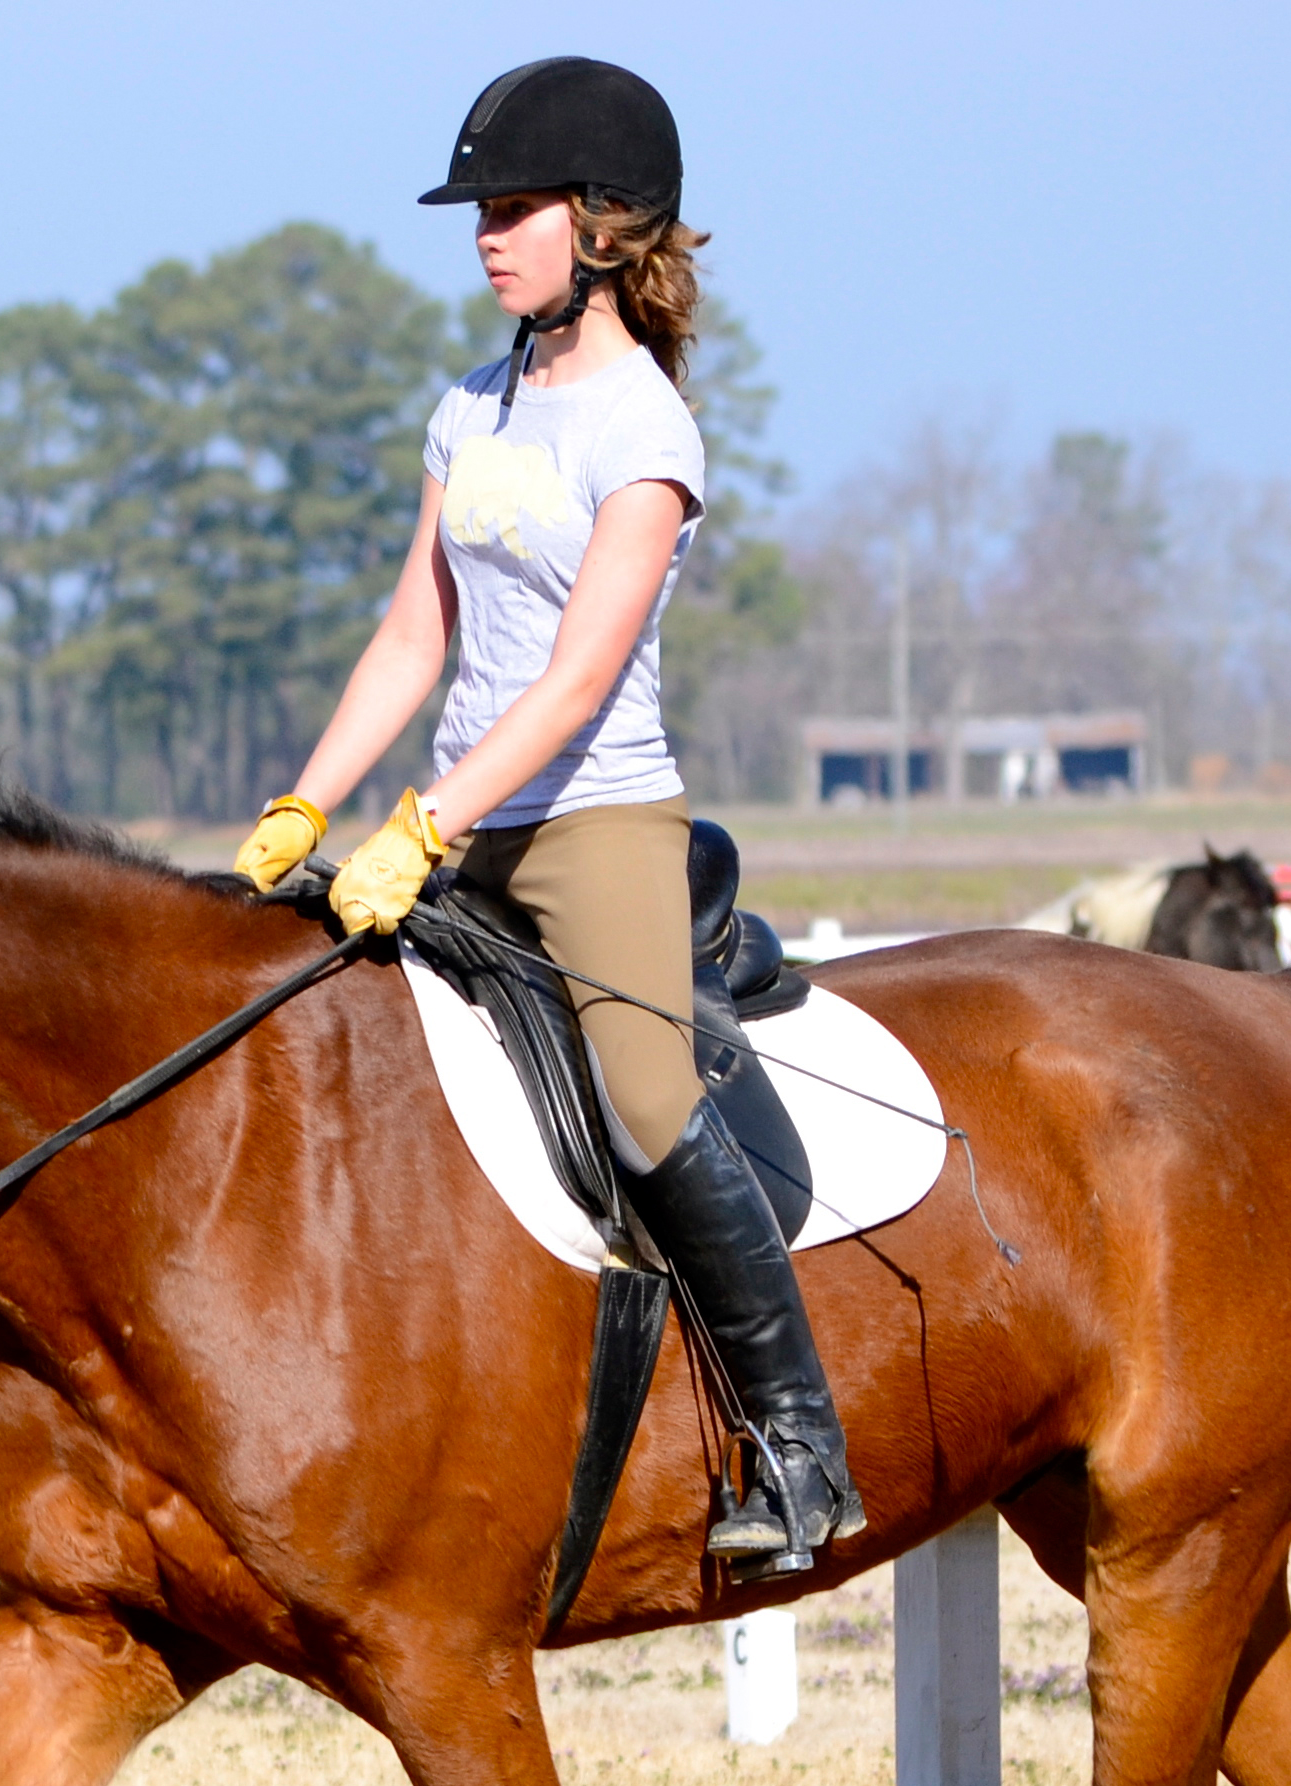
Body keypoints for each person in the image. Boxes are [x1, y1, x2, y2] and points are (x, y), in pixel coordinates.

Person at [231, 55, 859, 1580]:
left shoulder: (642, 434)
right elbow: (412, 637)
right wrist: (309, 797)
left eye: (513, 210)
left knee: (644, 1098)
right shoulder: (474, 406)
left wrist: (425, 825)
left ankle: (798, 1436)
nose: (486, 236)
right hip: (457, 817)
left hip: (593, 829)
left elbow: (577, 687)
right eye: (483, 212)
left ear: (604, 226)